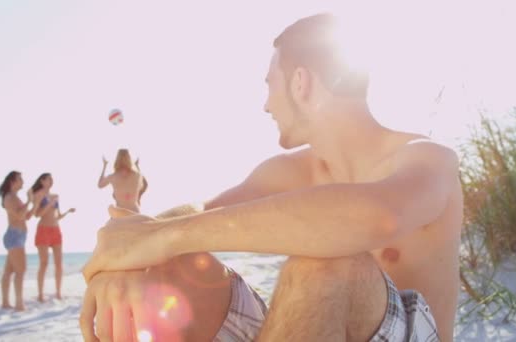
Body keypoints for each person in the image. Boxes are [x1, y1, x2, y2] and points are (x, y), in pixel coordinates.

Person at [81, 13, 463, 341]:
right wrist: (126, 258)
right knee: (171, 267)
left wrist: (159, 237)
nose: (265, 104)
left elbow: (379, 216)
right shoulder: (291, 170)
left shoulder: (425, 159)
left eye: (269, 84)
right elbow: (201, 210)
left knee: (328, 265)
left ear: (300, 82)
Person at [31, 173, 76, 301]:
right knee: (44, 263)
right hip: (43, 229)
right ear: (42, 181)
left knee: (59, 263)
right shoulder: (38, 195)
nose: (51, 181)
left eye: (52, 179)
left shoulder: (56, 196)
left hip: (56, 230)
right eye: (48, 179)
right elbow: (37, 214)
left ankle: (58, 292)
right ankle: (40, 294)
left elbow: (58, 216)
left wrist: (67, 212)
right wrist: (49, 204)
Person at [0, 171, 37, 311]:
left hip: (17, 235)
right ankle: (19, 304)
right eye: (20, 179)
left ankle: (5, 303)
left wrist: (33, 201)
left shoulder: (15, 197)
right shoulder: (10, 197)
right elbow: (20, 215)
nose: (23, 181)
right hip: (15, 235)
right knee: (21, 270)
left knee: (9, 271)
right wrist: (28, 200)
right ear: (12, 181)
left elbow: (27, 216)